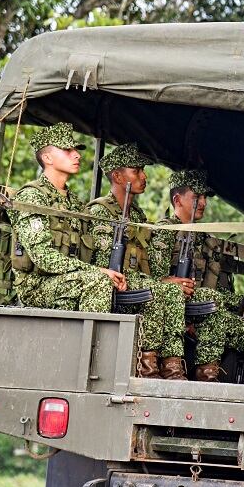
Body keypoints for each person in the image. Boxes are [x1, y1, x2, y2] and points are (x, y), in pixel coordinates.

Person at [149, 169, 244, 382]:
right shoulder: (165, 232)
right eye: (196, 197)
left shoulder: (205, 240)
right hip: (174, 312)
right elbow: (151, 279)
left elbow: (218, 292)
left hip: (207, 311)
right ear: (177, 200)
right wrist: (169, 283)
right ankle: (202, 374)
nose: (203, 203)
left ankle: (210, 377)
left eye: (204, 197)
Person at [86, 144, 188, 380]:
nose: (144, 176)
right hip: (112, 279)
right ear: (118, 176)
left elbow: (146, 259)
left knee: (171, 292)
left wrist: (164, 279)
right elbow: (103, 260)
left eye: (143, 170)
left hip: (135, 279)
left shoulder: (138, 216)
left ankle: (172, 367)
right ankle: (146, 367)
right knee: (155, 292)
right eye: (137, 170)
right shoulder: (101, 211)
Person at [11, 123, 125, 316]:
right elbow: (43, 258)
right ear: (47, 158)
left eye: (76, 150)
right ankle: (90, 346)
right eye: (67, 150)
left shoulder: (75, 202)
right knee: (98, 280)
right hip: (36, 286)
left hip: (69, 279)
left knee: (112, 281)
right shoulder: (32, 196)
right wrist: (98, 272)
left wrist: (111, 272)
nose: (77, 155)